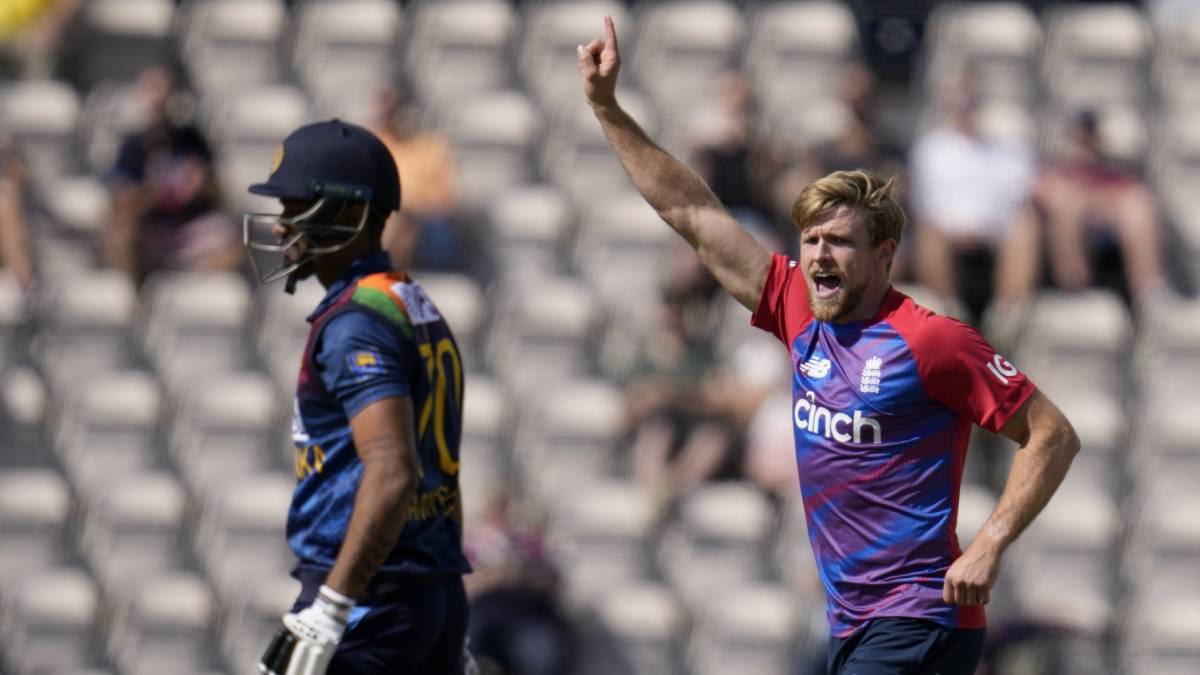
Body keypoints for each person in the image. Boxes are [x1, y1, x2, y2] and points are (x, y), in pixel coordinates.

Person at [578, 17, 1081, 675]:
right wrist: (608, 108)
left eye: (838, 241)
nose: (818, 253)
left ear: (883, 256)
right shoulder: (793, 306)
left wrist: (990, 542)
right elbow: (693, 214)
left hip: (921, 615)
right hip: (853, 619)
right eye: (811, 239)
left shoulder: (931, 340)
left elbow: (1053, 433)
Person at [244, 120, 474, 675]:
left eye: (295, 208)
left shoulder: (356, 323)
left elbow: (393, 471)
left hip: (372, 601)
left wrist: (333, 606)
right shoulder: (407, 299)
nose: (280, 229)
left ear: (348, 214)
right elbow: (438, 476)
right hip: (427, 589)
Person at [909, 73, 1040, 324]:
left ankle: (1007, 316)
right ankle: (948, 313)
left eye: (970, 100)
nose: (965, 106)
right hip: (947, 229)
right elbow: (924, 204)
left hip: (993, 230)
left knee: (1025, 228)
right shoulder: (931, 148)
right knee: (929, 231)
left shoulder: (1006, 149)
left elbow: (1020, 196)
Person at [105, 66, 242, 286]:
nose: (159, 102)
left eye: (164, 94)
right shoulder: (134, 146)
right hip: (153, 228)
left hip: (189, 227)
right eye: (153, 93)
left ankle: (192, 288)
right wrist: (156, 194)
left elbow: (218, 191)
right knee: (121, 234)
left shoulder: (191, 139)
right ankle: (135, 304)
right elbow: (122, 203)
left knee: (235, 240)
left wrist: (201, 184)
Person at [1034, 109, 1165, 306]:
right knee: (1069, 204)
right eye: (1080, 134)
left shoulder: (1110, 170)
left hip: (1108, 224)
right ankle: (1074, 288)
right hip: (1064, 223)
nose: (1085, 139)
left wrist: (1094, 201)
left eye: (1089, 134)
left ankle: (1149, 294)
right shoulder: (1055, 168)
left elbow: (1129, 194)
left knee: (1139, 208)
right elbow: (1044, 193)